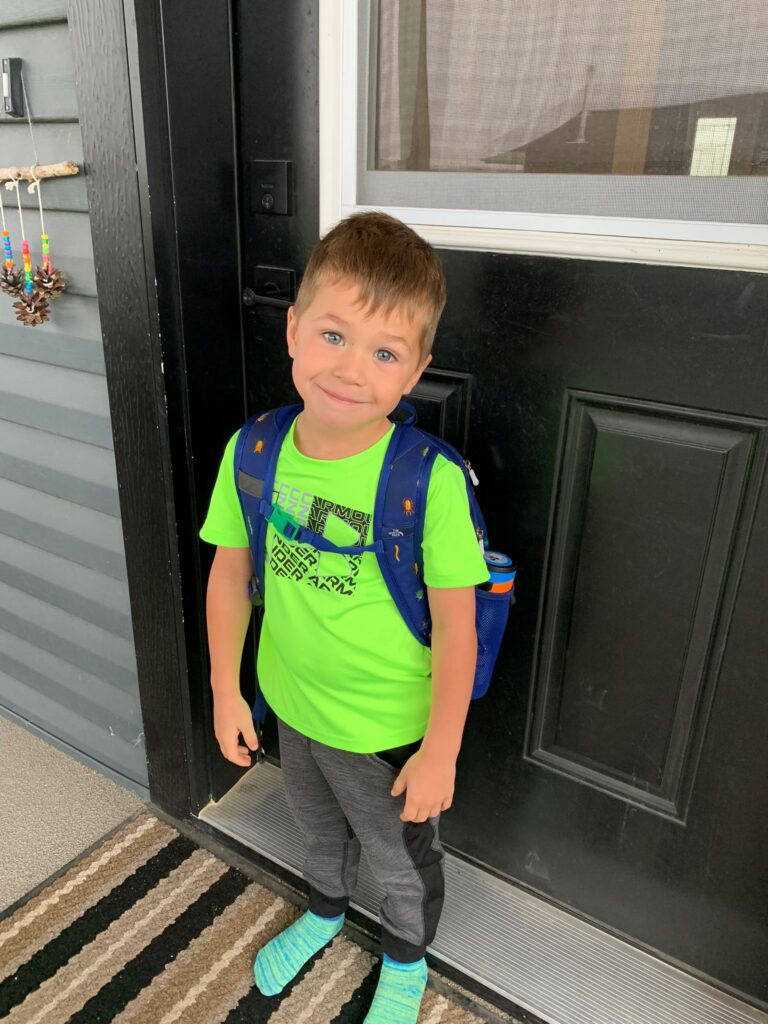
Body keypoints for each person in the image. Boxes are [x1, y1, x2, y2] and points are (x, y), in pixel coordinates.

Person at [199, 211, 488, 1023]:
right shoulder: (255, 452)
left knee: (398, 861)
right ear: (293, 329)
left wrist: (440, 750)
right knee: (315, 828)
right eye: (333, 335)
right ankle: (325, 910)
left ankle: (405, 959)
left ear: (416, 370)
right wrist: (226, 690)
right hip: (293, 706)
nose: (351, 369)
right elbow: (230, 575)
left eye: (384, 353)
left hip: (385, 733)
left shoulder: (427, 482)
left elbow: (457, 629)